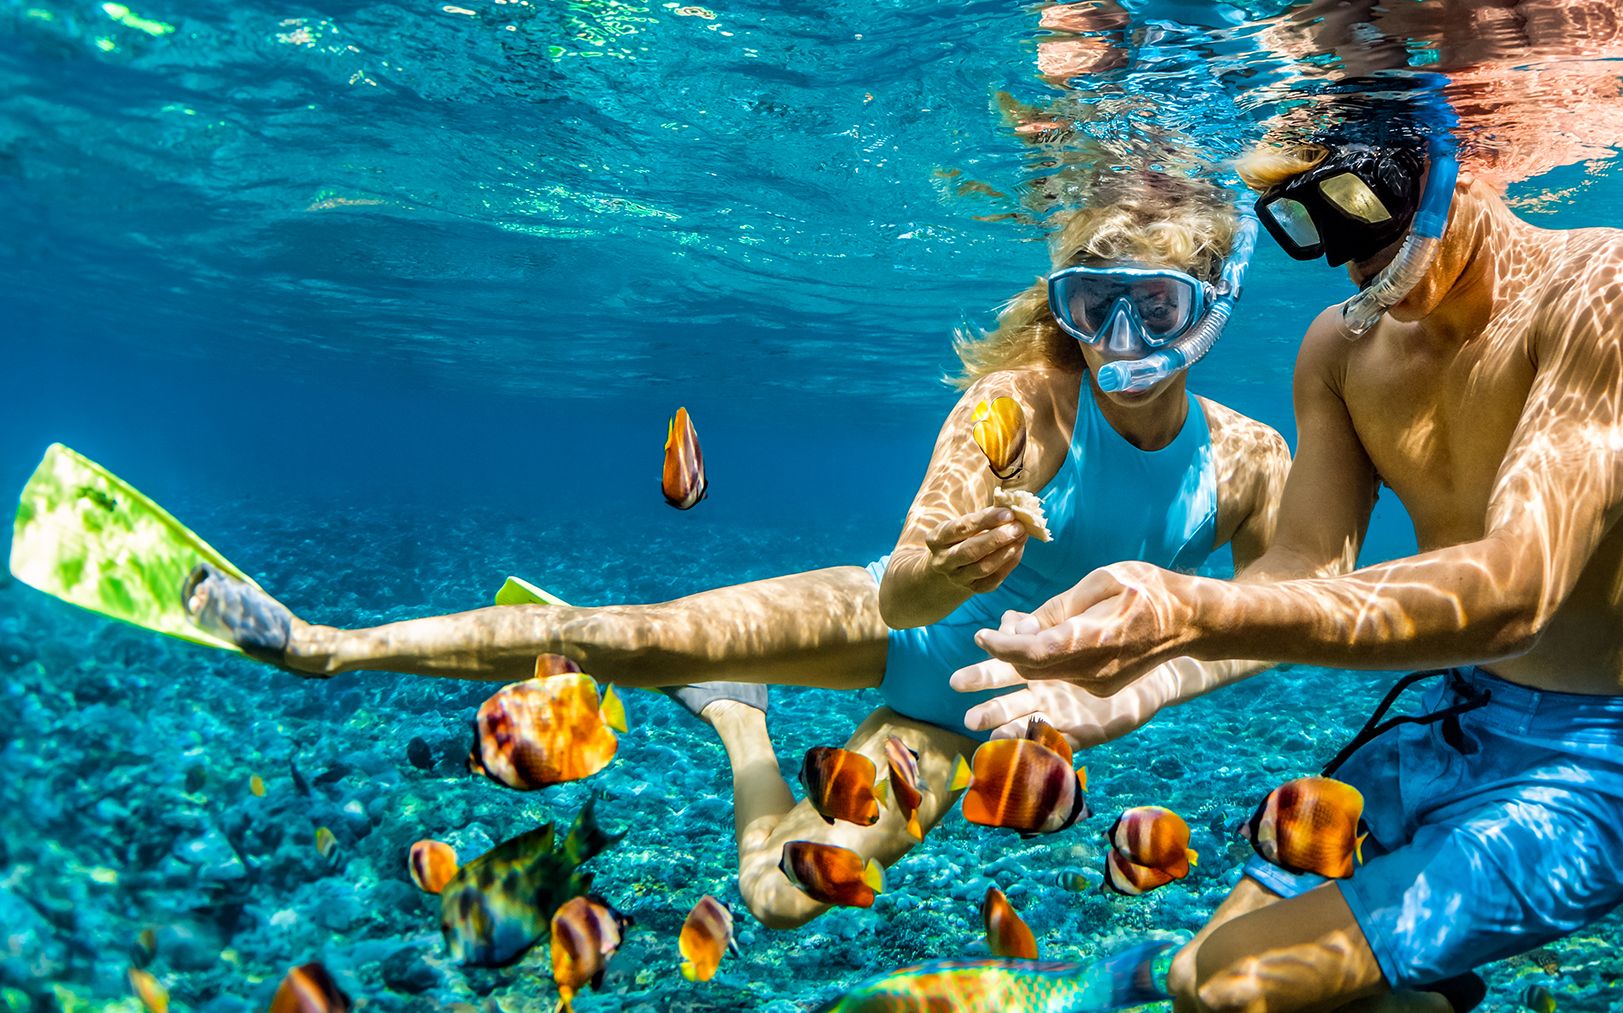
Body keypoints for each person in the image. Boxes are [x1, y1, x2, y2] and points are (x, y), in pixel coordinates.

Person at [184, 169, 1292, 930]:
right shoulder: (1021, 405)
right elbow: (905, 582)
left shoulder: (1247, 461)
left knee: (778, 899)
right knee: (619, 636)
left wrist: (1149, 673)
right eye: (1091, 305)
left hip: (959, 723)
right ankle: (326, 644)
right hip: (884, 620)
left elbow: (1284, 613)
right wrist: (950, 562)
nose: (1120, 341)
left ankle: (736, 715)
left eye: (1155, 305)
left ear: (1213, 308)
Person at [956, 123, 1623, 1013]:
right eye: (1308, 222)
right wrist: (1150, 680)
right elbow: (1304, 564)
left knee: (1232, 987)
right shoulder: (1342, 349)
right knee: (1218, 976)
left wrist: (1194, 613)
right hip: (1445, 720)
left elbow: (1521, 587)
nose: (1348, 256)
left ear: (1448, 159)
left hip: (1599, 760)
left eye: (1361, 201)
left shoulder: (1617, 285)